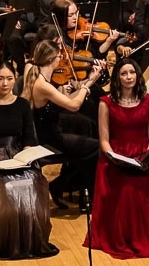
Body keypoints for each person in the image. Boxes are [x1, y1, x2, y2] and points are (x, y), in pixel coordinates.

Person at [85, 58, 149, 258]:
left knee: (147, 186)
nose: (129, 77)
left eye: (132, 72)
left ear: (138, 75)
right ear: (117, 78)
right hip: (116, 156)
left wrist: (145, 159)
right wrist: (115, 159)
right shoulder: (105, 103)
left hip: (143, 155)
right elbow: (104, 140)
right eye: (124, 73)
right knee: (124, 189)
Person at [0, 61, 58, 259]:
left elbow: (29, 138)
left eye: (9, 79)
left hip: (17, 155)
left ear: (14, 79)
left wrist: (24, 158)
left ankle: (30, 241)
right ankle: (4, 241)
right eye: (0, 79)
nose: (5, 83)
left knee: (32, 182)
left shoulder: (22, 105)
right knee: (6, 187)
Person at [23, 37, 106, 211]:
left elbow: (66, 101)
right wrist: (89, 83)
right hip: (50, 138)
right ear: (51, 59)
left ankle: (67, 186)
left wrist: (85, 84)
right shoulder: (42, 85)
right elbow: (74, 106)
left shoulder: (42, 78)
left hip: (53, 128)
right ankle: (83, 190)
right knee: (96, 149)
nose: (61, 59)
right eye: (59, 56)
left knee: (88, 127)